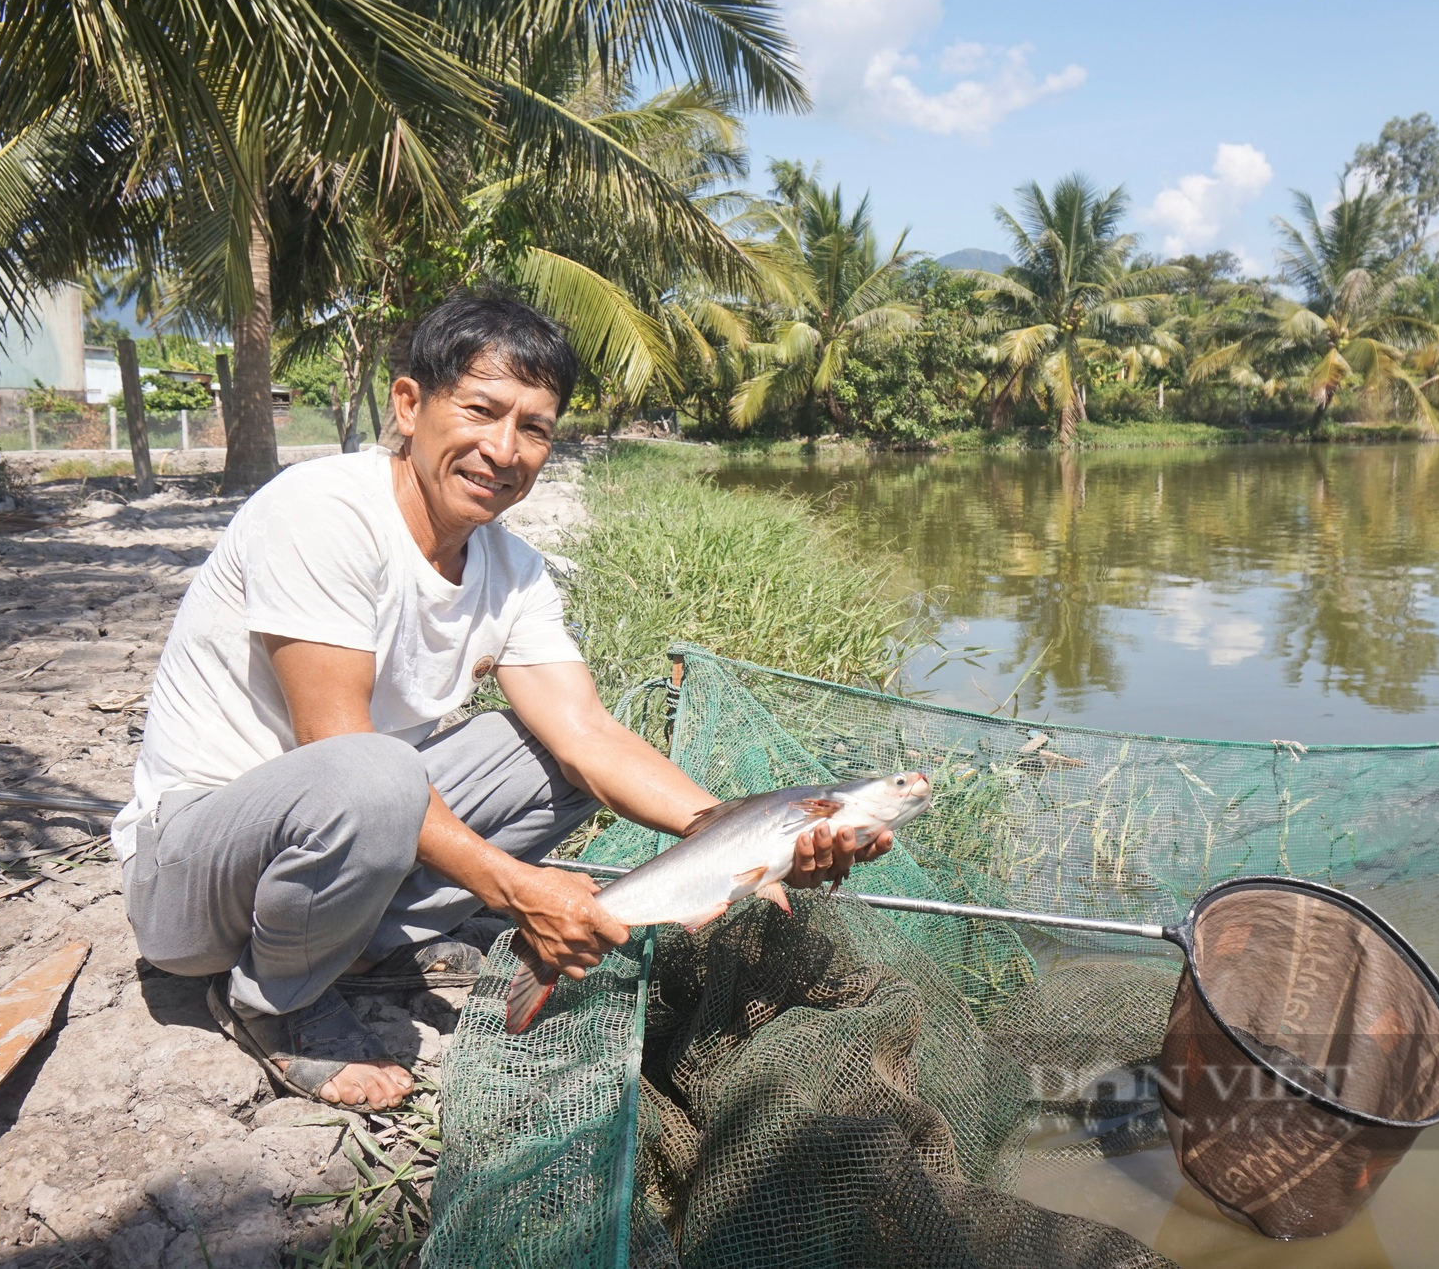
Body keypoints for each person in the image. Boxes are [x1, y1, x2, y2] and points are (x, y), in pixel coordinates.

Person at [111, 294, 894, 1110]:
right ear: (409, 406)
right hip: (190, 882)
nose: (503, 449)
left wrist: (755, 836)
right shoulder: (323, 512)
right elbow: (333, 746)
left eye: (535, 428)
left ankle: (363, 946)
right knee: (376, 771)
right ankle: (275, 1001)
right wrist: (519, 888)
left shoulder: (511, 567)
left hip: (330, 834)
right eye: (482, 410)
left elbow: (587, 733)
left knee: (549, 756)